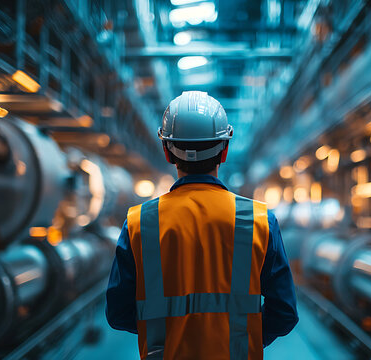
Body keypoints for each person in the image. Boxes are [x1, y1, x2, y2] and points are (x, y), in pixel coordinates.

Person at [106, 91, 298, 359]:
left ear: (167, 152)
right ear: (224, 151)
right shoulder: (259, 219)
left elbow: (118, 313)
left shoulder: (139, 222)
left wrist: (172, 333)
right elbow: (285, 312)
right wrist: (246, 338)